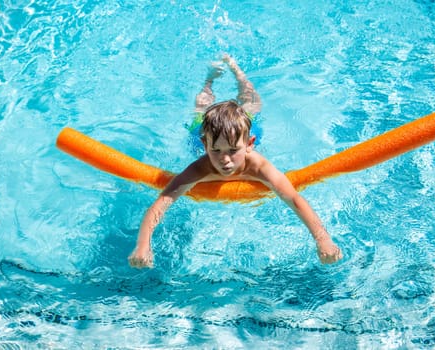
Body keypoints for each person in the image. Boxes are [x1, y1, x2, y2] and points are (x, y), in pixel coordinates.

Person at [128, 54, 343, 268]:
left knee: (251, 103)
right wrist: (143, 245)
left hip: (240, 129)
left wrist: (323, 239)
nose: (224, 159)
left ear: (250, 144)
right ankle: (209, 80)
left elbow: (295, 200)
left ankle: (237, 72)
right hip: (201, 133)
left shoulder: (259, 166)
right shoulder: (200, 167)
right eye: (216, 151)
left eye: (233, 151)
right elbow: (160, 205)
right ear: (206, 147)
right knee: (200, 109)